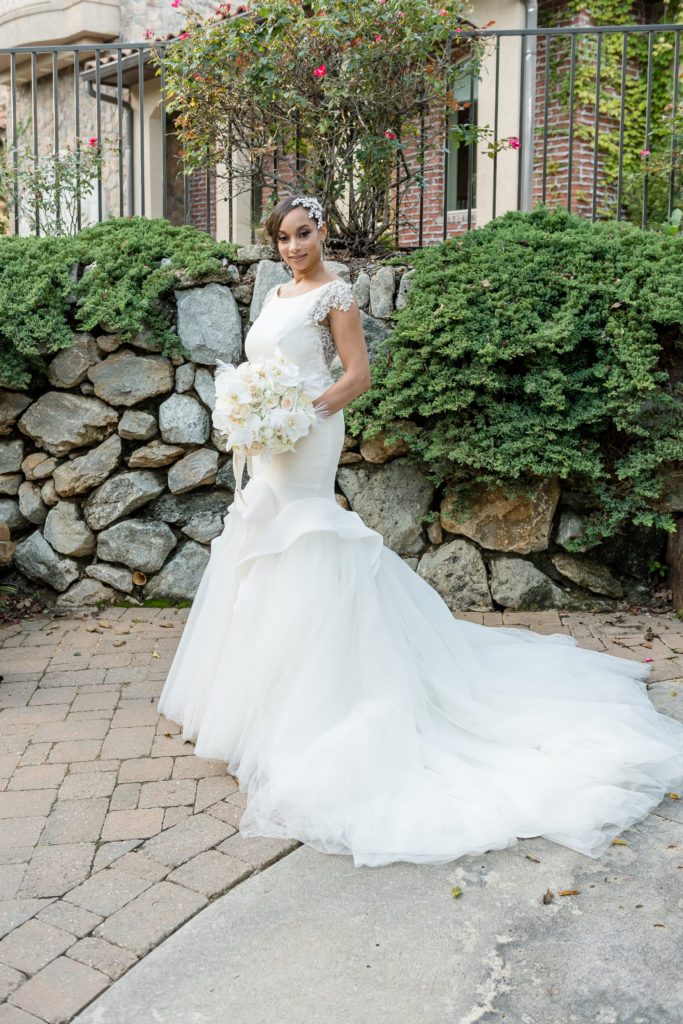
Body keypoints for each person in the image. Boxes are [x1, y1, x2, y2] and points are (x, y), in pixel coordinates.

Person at [158, 194, 683, 868]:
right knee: (265, 542)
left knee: (311, 539)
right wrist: (254, 414)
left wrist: (296, 410)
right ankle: (263, 703)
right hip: (268, 438)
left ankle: (326, 697)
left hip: (308, 431)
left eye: (303, 233)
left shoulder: (336, 295)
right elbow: (260, 365)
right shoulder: (277, 291)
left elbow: (357, 375)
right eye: (283, 237)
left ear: (321, 231)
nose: (294, 246)